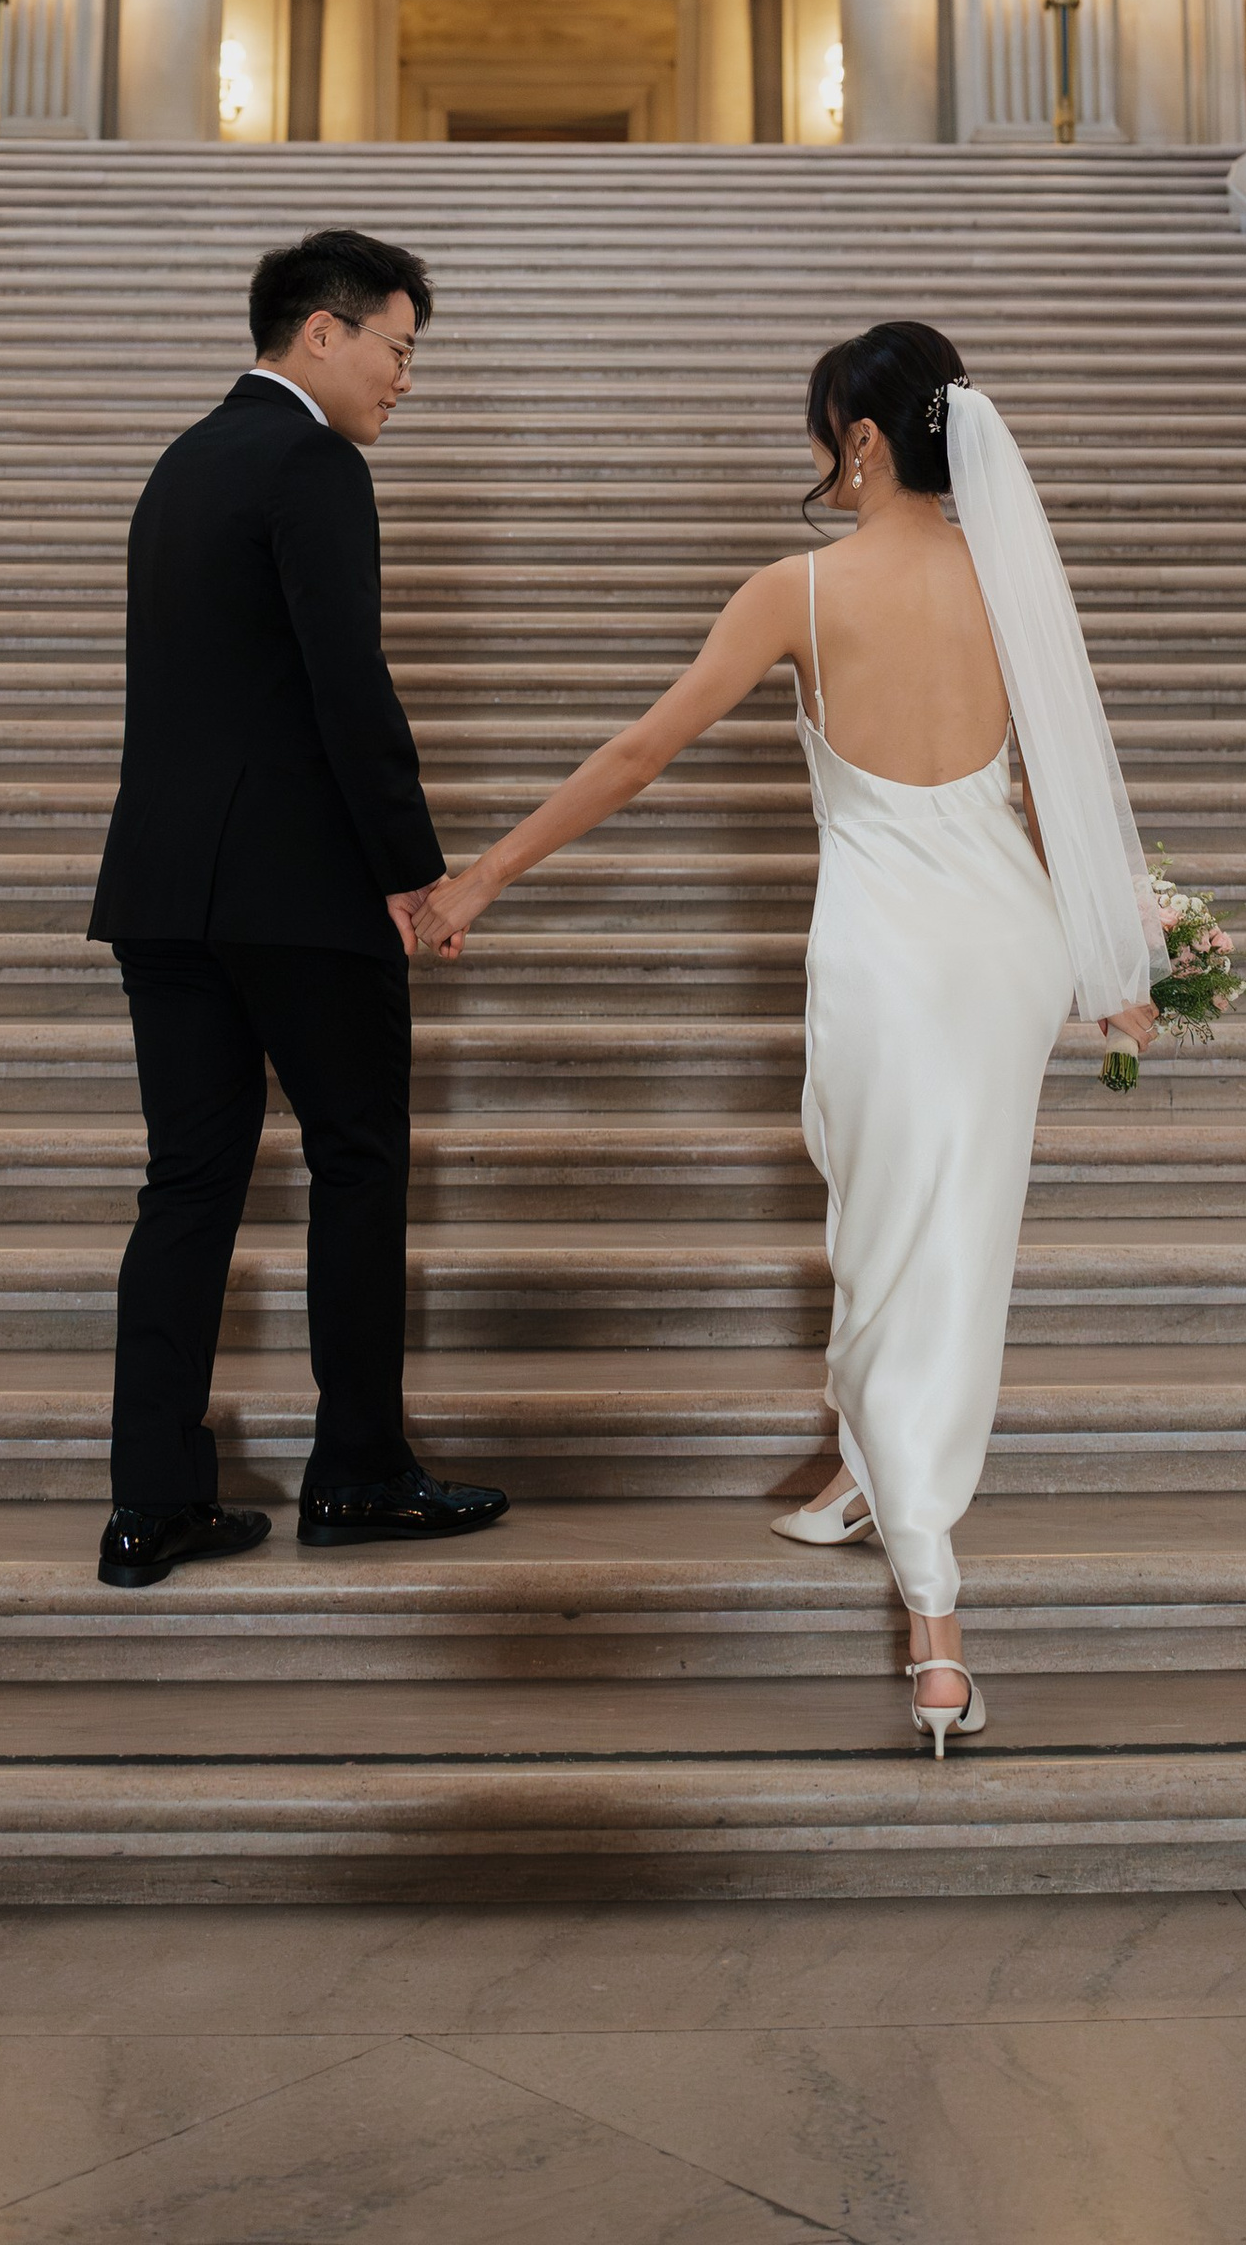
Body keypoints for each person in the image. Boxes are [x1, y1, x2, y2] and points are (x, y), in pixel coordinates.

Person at [416, 320, 1160, 1751]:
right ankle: (863, 1470)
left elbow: (640, 751)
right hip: (1006, 952)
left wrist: (481, 878)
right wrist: (1105, 961)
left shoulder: (798, 591)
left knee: (893, 1234)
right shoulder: (1010, 577)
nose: (820, 455)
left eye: (825, 431)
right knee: (946, 1237)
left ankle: (935, 1624)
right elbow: (1055, 790)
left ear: (863, 439)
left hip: (889, 956)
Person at [88, 226, 509, 1589]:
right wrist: (416, 872)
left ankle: (153, 1503)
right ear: (320, 332)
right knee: (358, 1163)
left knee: (187, 1184)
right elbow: (347, 684)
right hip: (300, 890)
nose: (405, 381)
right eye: (398, 349)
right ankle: (359, 1471)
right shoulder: (315, 463)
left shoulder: (181, 463)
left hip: (164, 891)